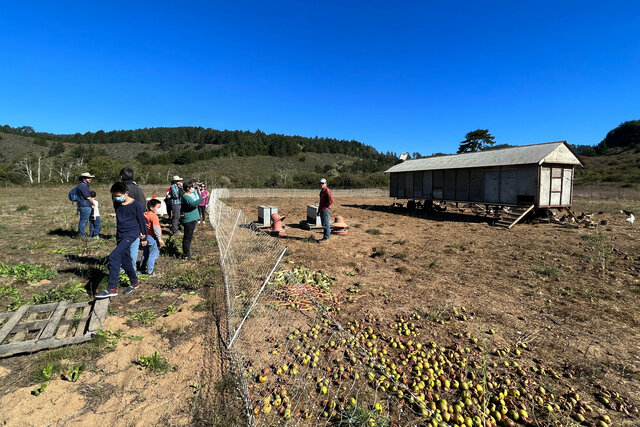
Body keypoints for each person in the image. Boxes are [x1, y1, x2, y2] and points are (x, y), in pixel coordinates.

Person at [95, 182, 147, 299]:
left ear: (126, 193)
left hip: (131, 234)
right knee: (125, 260)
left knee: (113, 257)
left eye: (118, 195)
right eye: (114, 196)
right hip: (120, 234)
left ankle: (112, 288)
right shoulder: (117, 204)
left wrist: (144, 236)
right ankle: (135, 283)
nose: (116, 198)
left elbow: (142, 221)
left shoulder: (136, 205)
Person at [120, 167, 146, 270]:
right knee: (133, 247)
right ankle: (131, 270)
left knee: (122, 246)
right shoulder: (137, 189)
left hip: (122, 221)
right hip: (135, 222)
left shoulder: (119, 189)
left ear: (122, 177)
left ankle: (122, 270)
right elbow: (143, 206)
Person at [141, 199, 165, 275]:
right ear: (151, 208)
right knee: (153, 254)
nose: (159, 209)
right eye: (158, 207)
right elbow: (156, 228)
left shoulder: (145, 214)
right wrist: (159, 238)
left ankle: (142, 268)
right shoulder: (154, 217)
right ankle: (150, 271)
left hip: (146, 237)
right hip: (153, 237)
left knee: (145, 253)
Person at [180, 181, 204, 260]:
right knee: (187, 237)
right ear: (188, 188)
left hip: (191, 219)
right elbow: (193, 204)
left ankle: (187, 253)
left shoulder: (188, 196)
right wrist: (203, 198)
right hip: (188, 220)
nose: (193, 189)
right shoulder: (185, 197)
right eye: (191, 187)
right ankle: (186, 254)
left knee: (189, 236)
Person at [75, 172, 95, 237]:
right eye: (88, 178)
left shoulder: (84, 185)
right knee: (84, 220)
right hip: (84, 205)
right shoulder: (83, 186)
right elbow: (88, 197)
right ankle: (81, 234)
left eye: (90, 178)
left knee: (84, 220)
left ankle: (81, 233)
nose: (90, 179)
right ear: (84, 178)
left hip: (84, 205)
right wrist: (93, 203)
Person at [318, 178, 333, 242]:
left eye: (323, 183)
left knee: (326, 224)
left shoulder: (327, 191)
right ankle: (325, 236)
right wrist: (319, 211)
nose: (321, 184)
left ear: (326, 184)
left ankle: (326, 237)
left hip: (326, 210)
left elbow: (331, 200)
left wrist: (326, 207)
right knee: (324, 224)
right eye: (320, 183)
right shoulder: (322, 191)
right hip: (322, 210)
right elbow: (321, 202)